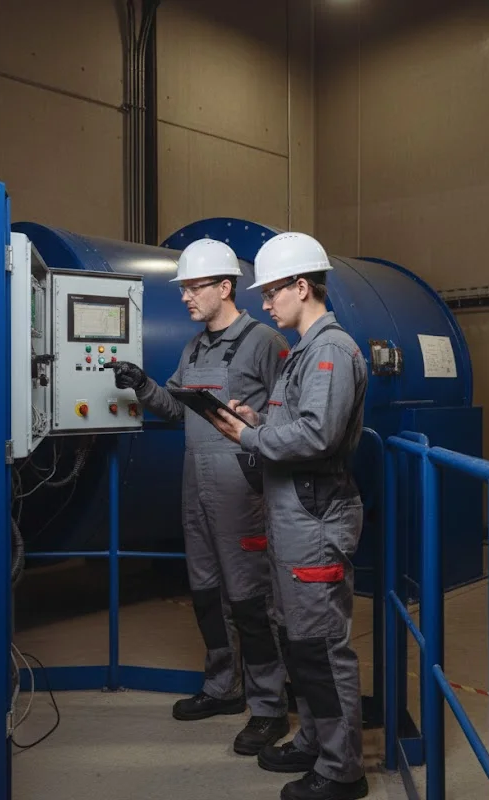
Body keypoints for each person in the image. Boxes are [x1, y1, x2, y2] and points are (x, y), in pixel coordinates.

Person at [106, 238, 290, 756]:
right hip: (196, 487)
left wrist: (257, 424)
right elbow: (173, 408)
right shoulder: (193, 348)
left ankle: (269, 707)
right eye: (184, 287)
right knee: (206, 593)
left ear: (225, 287)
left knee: (251, 601)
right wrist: (142, 385)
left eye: (194, 286)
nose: (185, 296)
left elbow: (289, 416)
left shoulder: (265, 342)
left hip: (242, 490)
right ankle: (222, 687)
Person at [209, 232, 369, 800]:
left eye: (273, 290)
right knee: (300, 639)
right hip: (293, 514)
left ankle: (341, 770)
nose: (265, 302)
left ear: (303, 287)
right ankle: (316, 740)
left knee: (322, 645)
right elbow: (296, 424)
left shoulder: (329, 350)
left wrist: (250, 435)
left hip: (314, 516)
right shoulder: (304, 350)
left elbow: (320, 435)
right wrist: (256, 419)